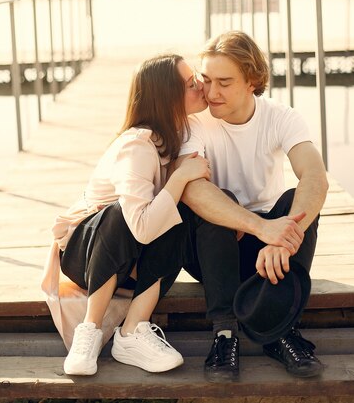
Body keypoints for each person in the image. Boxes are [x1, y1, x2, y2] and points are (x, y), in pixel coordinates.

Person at [43, 54, 209, 376]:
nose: (201, 85)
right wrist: (179, 177)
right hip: (85, 255)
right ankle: (88, 331)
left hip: (130, 261)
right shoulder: (136, 145)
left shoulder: (181, 135)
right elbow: (143, 228)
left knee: (178, 212)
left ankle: (132, 331)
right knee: (123, 213)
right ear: (167, 99)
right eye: (191, 84)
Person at [178, 31, 329, 380]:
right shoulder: (195, 122)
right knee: (217, 199)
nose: (211, 93)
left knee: (297, 201)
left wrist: (282, 234)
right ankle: (224, 333)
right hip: (214, 251)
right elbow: (191, 191)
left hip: (272, 250)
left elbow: (315, 177)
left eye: (224, 82)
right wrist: (262, 228)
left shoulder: (281, 117)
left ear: (252, 81)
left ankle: (280, 330)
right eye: (206, 80)